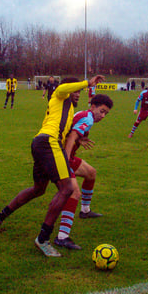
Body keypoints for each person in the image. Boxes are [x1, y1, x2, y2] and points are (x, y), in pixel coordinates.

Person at [0, 75, 105, 257]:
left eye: (80, 92)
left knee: (38, 189)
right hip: (49, 143)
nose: (78, 94)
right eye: (75, 90)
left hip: (41, 143)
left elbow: (66, 131)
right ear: (68, 88)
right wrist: (87, 83)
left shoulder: (68, 108)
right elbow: (63, 89)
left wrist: (79, 138)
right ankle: (43, 239)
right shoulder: (59, 94)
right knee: (67, 189)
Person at [54, 93, 114, 250]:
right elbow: (72, 136)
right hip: (62, 157)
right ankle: (62, 237)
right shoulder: (88, 119)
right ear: (92, 107)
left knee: (91, 173)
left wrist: (79, 140)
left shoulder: (85, 115)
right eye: (101, 111)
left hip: (67, 155)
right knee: (73, 193)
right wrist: (66, 162)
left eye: (106, 113)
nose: (103, 116)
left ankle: (85, 211)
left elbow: (70, 133)